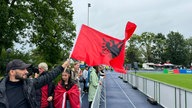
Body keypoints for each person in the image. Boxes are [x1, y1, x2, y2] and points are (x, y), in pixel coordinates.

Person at [0, 59, 69, 108]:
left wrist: (62, 66)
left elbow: (48, 77)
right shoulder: (1, 88)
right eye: (22, 69)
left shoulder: (29, 84)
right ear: (12, 72)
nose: (26, 72)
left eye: (26, 69)